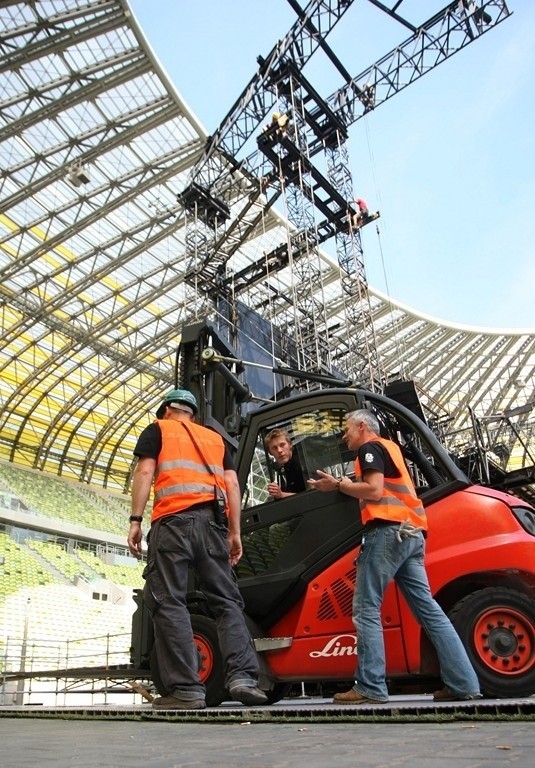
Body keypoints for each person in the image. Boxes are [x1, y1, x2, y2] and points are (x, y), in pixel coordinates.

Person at [307, 409, 481, 705]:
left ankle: (370, 685)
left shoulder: (369, 448)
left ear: (362, 426)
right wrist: (339, 484)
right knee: (429, 611)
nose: (344, 435)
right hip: (412, 535)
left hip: (387, 533)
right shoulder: (391, 449)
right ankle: (463, 683)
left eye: (347, 429)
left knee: (365, 609)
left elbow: (374, 491)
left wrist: (337, 485)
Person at [127, 388, 268, 711]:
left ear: (166, 411)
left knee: (167, 599)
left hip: (173, 524)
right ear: (192, 413)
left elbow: (146, 471)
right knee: (226, 601)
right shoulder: (215, 440)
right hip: (214, 526)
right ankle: (243, 678)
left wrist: (135, 520)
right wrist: (234, 533)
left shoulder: (158, 429)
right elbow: (232, 486)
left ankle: (186, 689)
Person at [264, 428, 307, 499]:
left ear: (290, 444)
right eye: (274, 448)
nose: (279, 450)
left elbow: (312, 495)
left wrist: (282, 495)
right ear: (270, 453)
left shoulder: (302, 464)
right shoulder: (285, 467)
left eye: (282, 445)